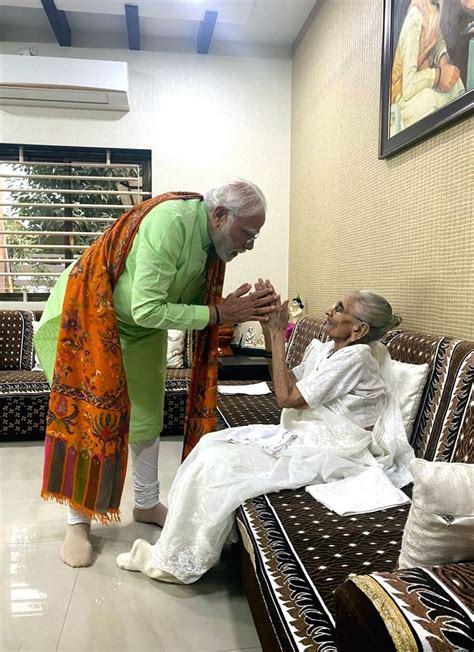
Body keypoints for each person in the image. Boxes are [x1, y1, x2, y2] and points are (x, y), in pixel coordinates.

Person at [35, 180, 276, 568]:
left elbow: (165, 308)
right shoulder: (170, 222)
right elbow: (147, 307)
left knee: (147, 416)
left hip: (139, 327)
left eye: (256, 235)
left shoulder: (210, 245)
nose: (250, 244)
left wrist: (228, 308)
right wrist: (218, 313)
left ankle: (146, 504)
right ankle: (77, 521)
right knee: (89, 419)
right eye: (247, 233)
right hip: (87, 317)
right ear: (218, 215)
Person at [116, 288, 415, 584]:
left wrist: (276, 334)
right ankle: (184, 544)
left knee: (220, 464)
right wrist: (268, 330)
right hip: (306, 432)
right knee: (210, 445)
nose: (329, 310)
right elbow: (289, 381)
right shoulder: (330, 350)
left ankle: (176, 562)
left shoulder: (358, 357)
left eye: (339, 308)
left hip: (332, 446)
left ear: (359, 329)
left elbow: (285, 398)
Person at [390, 0, 465, 136]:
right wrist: (438, 76)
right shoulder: (414, 18)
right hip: (403, 98)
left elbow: (437, 41)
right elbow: (408, 86)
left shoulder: (433, 8)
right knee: (430, 99)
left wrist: (444, 64)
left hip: (423, 83)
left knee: (456, 82)